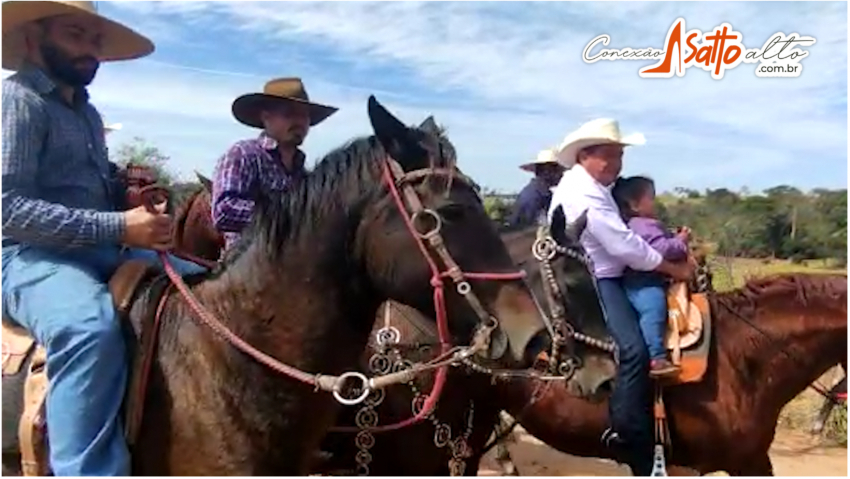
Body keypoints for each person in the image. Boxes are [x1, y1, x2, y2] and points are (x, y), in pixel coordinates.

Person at [1, 1, 206, 475]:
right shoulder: (19, 102)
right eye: (76, 34)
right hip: (26, 255)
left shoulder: (87, 113)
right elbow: (7, 208)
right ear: (33, 39)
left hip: (97, 249)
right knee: (87, 329)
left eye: (95, 41)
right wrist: (120, 226)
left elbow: (88, 186)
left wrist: (127, 193)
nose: (90, 51)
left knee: (211, 289)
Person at [548, 118, 695, 476]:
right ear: (585, 156)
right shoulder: (585, 193)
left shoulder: (591, 186)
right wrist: (673, 269)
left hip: (605, 271)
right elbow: (624, 246)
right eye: (609, 157)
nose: (617, 165)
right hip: (598, 279)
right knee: (634, 349)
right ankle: (626, 428)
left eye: (619, 157)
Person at [211, 77, 338, 250]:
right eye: (289, 114)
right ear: (266, 118)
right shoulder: (244, 154)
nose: (299, 122)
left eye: (304, 116)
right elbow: (224, 211)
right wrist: (290, 215)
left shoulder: (305, 175)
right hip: (246, 263)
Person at [612, 176, 691, 378]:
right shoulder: (642, 226)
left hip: (647, 277)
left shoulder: (643, 224)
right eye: (651, 197)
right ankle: (656, 357)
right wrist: (680, 242)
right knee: (654, 307)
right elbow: (660, 249)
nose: (655, 202)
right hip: (642, 282)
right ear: (634, 205)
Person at [508, 148, 565, 228]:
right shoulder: (534, 196)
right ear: (547, 171)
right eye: (559, 170)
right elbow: (528, 230)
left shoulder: (539, 192)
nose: (562, 175)